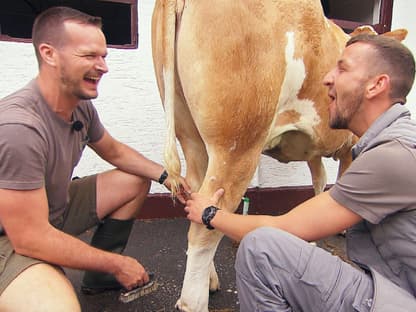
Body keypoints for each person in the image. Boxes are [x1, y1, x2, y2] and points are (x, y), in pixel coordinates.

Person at [184, 34, 416, 311]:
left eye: (342, 68)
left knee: (263, 250)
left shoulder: (393, 155)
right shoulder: (396, 143)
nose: (327, 78)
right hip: (399, 288)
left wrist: (210, 214)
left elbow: (287, 229)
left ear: (376, 85)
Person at [0, 6, 190, 312]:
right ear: (49, 54)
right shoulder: (18, 128)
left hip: (49, 209)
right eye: (89, 56)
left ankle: (98, 277)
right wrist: (119, 263)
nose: (102, 66)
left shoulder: (79, 107)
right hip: (12, 237)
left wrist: (168, 177)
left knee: (134, 178)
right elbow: (29, 237)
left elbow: (114, 152)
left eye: (103, 56)